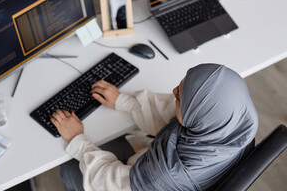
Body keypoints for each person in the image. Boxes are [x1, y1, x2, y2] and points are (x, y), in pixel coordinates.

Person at [51, 64, 259, 191]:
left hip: (142, 186)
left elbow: (107, 183)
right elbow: (171, 112)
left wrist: (77, 138)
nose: (172, 91)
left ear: (197, 118)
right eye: (179, 87)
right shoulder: (239, 120)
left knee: (69, 168)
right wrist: (122, 102)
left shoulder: (161, 176)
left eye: (178, 96)